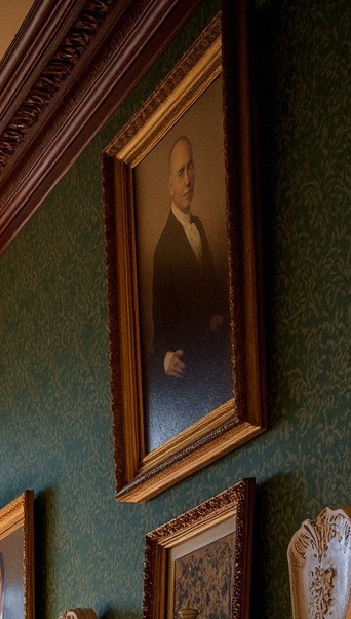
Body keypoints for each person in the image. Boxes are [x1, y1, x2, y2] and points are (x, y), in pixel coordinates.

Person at [148, 134, 230, 440]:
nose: (188, 180)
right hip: (191, 371)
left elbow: (211, 291)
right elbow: (160, 330)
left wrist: (218, 314)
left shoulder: (200, 227)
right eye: (180, 173)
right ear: (170, 184)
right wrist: (166, 359)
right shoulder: (162, 249)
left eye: (191, 168)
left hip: (214, 356)